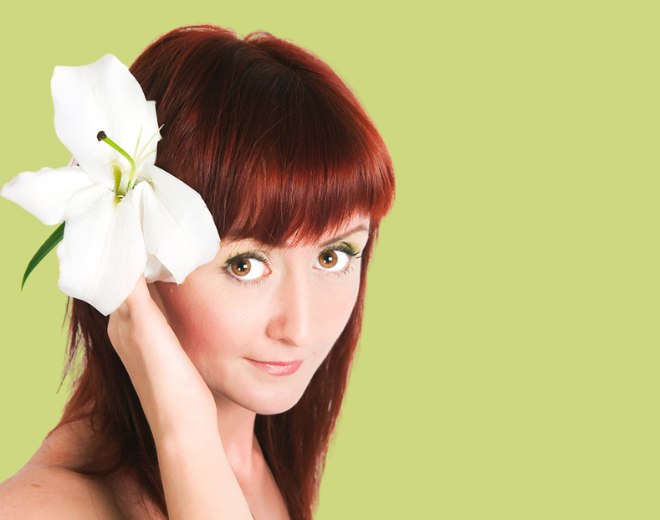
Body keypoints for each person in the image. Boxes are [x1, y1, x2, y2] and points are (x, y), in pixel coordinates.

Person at [0, 24, 394, 519]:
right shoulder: (39, 510)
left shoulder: (263, 462)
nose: (301, 328)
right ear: (137, 264)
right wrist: (183, 428)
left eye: (332, 256)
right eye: (245, 264)